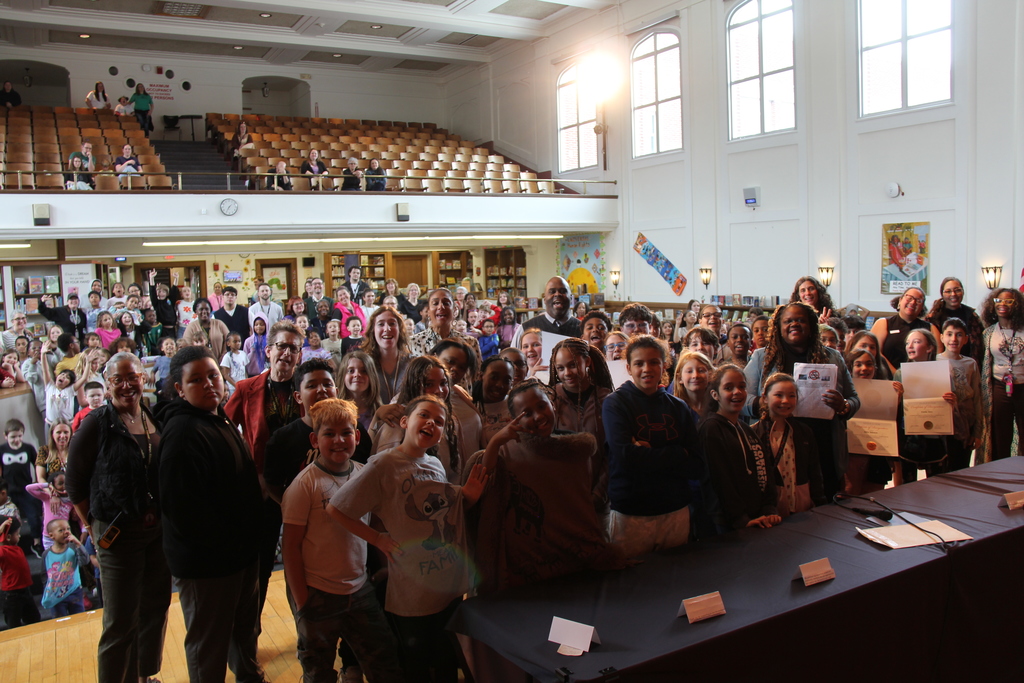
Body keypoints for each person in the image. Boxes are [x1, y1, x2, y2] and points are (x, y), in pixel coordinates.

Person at [328, 395, 488, 683]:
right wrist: (378, 539)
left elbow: (444, 515)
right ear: (405, 421)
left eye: (439, 422)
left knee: (446, 660)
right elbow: (337, 508)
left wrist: (468, 498)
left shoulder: (435, 465)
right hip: (412, 594)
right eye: (424, 415)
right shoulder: (384, 465)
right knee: (416, 664)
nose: (431, 423)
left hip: (445, 586)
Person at [158, 346, 267, 683]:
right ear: (179, 388)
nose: (208, 385)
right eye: (196, 380)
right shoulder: (182, 433)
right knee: (210, 645)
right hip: (209, 564)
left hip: (238, 554)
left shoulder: (213, 417)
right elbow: (185, 512)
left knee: (243, 632)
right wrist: (230, 543)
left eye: (213, 376)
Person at [281, 398, 404, 683]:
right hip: (319, 594)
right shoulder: (305, 485)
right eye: (329, 434)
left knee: (384, 661)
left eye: (346, 433)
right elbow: (290, 546)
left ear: (357, 436)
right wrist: (302, 601)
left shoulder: (363, 474)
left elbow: (374, 526)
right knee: (319, 670)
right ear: (314, 439)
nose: (339, 440)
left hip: (359, 589)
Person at [67, 352, 171, 683]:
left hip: (156, 532)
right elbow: (74, 484)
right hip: (118, 534)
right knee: (120, 619)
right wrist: (92, 525)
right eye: (117, 380)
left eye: (133, 377)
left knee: (154, 607)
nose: (127, 385)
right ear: (107, 383)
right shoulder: (96, 423)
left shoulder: (152, 416)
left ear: (144, 378)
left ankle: (142, 675)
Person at [470, 379, 624, 595]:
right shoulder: (508, 452)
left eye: (541, 406)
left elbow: (579, 507)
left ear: (552, 403)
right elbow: (484, 485)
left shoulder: (576, 450)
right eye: (527, 413)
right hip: (528, 563)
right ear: (514, 420)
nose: (538, 416)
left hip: (577, 560)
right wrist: (495, 442)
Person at [223, 321, 305, 616]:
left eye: (293, 348)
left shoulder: (308, 387)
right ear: (268, 350)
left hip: (303, 487)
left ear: (300, 355)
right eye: (281, 346)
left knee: (306, 563)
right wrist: (248, 469)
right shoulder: (246, 388)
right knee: (260, 564)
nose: (286, 353)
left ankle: (308, 632)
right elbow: (223, 429)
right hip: (261, 491)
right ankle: (249, 632)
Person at [602, 336, 704, 558]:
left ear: (664, 365)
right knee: (629, 583)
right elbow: (625, 457)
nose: (646, 369)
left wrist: (647, 453)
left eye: (654, 362)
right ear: (628, 367)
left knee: (674, 579)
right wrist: (677, 453)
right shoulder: (615, 403)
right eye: (639, 363)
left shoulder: (679, 407)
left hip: (675, 509)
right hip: (632, 513)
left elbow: (696, 464)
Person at [745, 303, 859, 499]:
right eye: (788, 321)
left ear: (812, 325)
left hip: (822, 444)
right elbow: (742, 397)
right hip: (774, 445)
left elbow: (855, 399)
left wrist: (844, 406)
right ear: (779, 327)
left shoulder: (833, 357)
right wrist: (763, 404)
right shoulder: (761, 357)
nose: (794, 324)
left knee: (822, 505)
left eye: (800, 320)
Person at [548, 337, 614, 518]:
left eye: (573, 365)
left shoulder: (606, 399)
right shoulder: (549, 400)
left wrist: (599, 493)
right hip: (561, 498)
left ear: (588, 361)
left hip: (600, 500)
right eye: (560, 368)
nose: (567, 373)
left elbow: (612, 452)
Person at [751, 373, 825, 516]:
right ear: (765, 398)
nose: (785, 401)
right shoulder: (753, 433)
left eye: (791, 396)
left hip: (801, 502)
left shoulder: (804, 432)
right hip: (769, 506)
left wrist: (819, 501)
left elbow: (814, 470)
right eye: (778, 395)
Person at [979, 288, 1024, 462]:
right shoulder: (989, 333)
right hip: (999, 386)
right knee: (1000, 433)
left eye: (1008, 301)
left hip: (1022, 386)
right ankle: (999, 471)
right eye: (998, 301)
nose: (1002, 304)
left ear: (1017, 305)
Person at [938, 318, 983, 471]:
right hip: (942, 427)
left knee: (961, 468)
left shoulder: (971, 364)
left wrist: (978, 431)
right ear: (941, 337)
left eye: (958, 335)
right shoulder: (933, 361)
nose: (953, 339)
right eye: (949, 334)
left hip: (966, 426)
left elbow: (977, 399)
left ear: (965, 339)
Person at [870, 287, 942, 371]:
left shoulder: (931, 328)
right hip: (887, 377)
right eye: (909, 298)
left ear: (922, 307)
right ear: (900, 300)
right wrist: (896, 374)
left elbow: (937, 358)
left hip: (921, 378)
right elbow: (875, 353)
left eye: (918, 300)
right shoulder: (883, 323)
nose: (913, 302)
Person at [1, 419, 40, 556]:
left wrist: (37, 481)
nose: (16, 439)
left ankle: (36, 543)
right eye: (13, 437)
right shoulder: (2, 450)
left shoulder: (28, 448)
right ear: (6, 436)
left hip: (26, 489)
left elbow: (38, 465)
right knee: (8, 521)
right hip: (9, 493)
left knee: (34, 516)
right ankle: (9, 547)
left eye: (19, 436)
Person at [926, 277, 985, 365]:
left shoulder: (972, 316)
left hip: (968, 364)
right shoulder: (933, 318)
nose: (953, 294)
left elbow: (979, 346)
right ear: (942, 294)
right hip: (941, 365)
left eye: (957, 290)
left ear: (963, 292)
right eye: (948, 291)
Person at [409, 287, 480, 358]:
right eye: (435, 303)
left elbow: (476, 369)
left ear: (454, 310)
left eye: (446, 303)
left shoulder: (470, 342)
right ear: (428, 311)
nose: (440, 306)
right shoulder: (412, 342)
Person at [41, 518, 89, 616]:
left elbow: (85, 561)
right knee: (59, 620)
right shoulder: (46, 554)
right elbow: (44, 575)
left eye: (68, 529)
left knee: (78, 618)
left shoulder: (72, 548)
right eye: (61, 530)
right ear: (51, 535)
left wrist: (78, 544)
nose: (66, 532)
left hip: (74, 592)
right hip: (56, 594)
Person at [513, 276, 581, 345]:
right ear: (544, 299)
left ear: (571, 297)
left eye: (563, 291)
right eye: (552, 292)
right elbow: (511, 355)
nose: (557, 294)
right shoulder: (525, 329)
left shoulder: (583, 329)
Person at [0, 516, 40, 628]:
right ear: (7, 537)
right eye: (17, 534)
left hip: (25, 591)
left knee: (34, 619)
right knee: (14, 624)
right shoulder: (3, 552)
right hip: (12, 595)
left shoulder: (16, 548)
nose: (20, 536)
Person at [672, 350, 714, 422]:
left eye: (701, 371)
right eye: (689, 371)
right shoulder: (675, 408)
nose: (695, 376)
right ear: (680, 378)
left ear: (710, 375)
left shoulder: (718, 406)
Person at [220, 332, 248, 399]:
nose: (238, 343)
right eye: (235, 342)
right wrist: (236, 385)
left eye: (239, 341)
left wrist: (246, 382)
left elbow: (245, 371)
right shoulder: (227, 357)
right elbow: (226, 375)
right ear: (228, 343)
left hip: (243, 386)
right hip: (232, 388)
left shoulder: (243, 354)